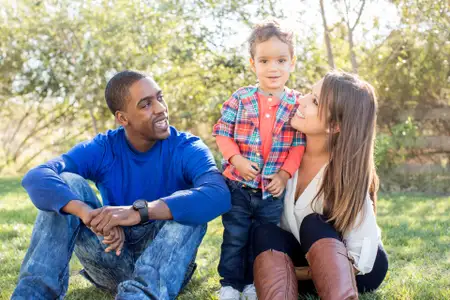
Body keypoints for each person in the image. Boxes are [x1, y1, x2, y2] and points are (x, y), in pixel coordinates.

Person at [12, 70, 231, 300]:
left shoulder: (187, 148)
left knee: (190, 204)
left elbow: (218, 194)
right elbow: (37, 176)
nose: (160, 109)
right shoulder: (104, 147)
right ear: (122, 118)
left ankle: (138, 296)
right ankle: (32, 295)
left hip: (167, 264)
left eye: (160, 97)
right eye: (145, 104)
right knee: (67, 182)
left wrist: (139, 212)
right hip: (110, 255)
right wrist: (88, 214)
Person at [252, 71, 389, 300]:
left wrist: (296, 273)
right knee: (264, 232)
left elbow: (361, 260)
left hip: (356, 270)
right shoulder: (283, 154)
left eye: (314, 101)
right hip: (304, 263)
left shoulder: (346, 174)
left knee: (313, 222)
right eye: (309, 93)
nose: (300, 100)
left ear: (334, 125)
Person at [212, 20, 306, 300]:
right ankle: (230, 283)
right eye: (264, 60)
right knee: (235, 236)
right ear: (253, 64)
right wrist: (236, 159)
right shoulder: (240, 98)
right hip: (238, 186)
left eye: (281, 60)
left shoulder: (296, 104)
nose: (273, 67)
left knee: (262, 239)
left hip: (271, 192)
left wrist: (284, 175)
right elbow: (222, 132)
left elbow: (298, 146)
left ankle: (254, 283)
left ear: (292, 63)